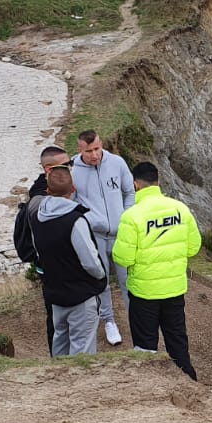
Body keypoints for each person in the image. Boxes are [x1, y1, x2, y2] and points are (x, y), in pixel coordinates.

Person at [112, 162, 201, 380]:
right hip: (174, 289)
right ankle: (189, 382)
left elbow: (123, 258)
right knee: (177, 342)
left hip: (144, 292)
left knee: (145, 347)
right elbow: (193, 247)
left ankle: (150, 387)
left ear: (135, 185)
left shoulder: (131, 216)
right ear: (158, 182)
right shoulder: (180, 209)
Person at [32, 165, 106, 356]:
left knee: (60, 346)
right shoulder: (75, 220)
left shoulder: (37, 218)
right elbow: (90, 262)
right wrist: (100, 276)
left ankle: (59, 384)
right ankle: (81, 386)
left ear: (48, 191)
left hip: (55, 295)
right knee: (83, 352)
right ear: (73, 190)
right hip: (81, 295)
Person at [70, 129, 135, 346]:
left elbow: (130, 192)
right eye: (89, 151)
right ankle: (109, 321)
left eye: (97, 148)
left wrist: (126, 218)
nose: (94, 155)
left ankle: (136, 320)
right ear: (80, 149)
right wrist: (87, 220)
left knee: (129, 281)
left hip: (121, 235)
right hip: (95, 235)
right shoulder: (72, 169)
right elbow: (71, 201)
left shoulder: (117, 163)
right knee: (102, 281)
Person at [15, 145, 69, 349]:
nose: (71, 168)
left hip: (55, 264)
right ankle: (59, 359)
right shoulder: (40, 201)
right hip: (51, 266)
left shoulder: (48, 192)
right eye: (66, 165)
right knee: (57, 317)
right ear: (48, 169)